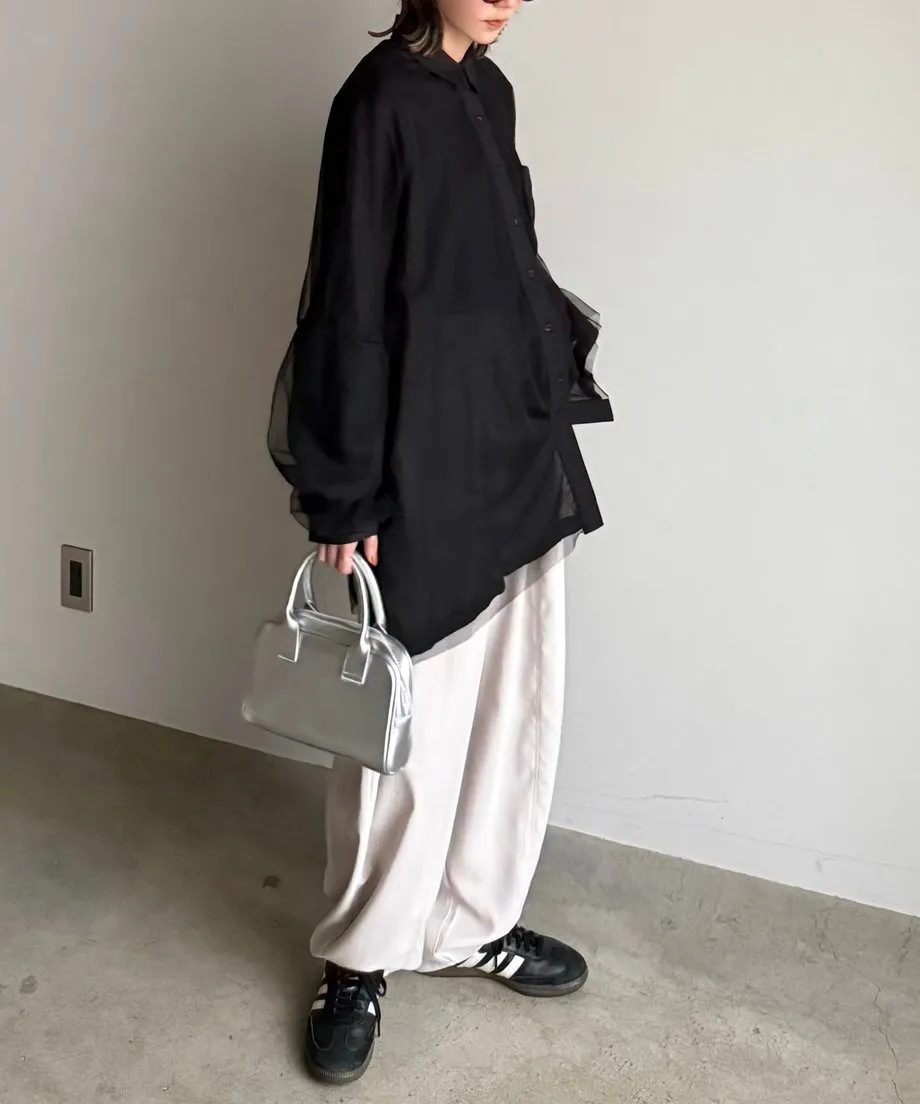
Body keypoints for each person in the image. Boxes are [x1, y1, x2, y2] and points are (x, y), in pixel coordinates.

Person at [269, 0, 612, 1085]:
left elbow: (504, 269)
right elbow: (349, 303)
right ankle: (360, 960)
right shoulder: (377, 104)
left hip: (508, 438)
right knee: (405, 721)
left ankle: (468, 921)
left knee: (511, 700)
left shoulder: (488, 88)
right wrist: (345, 493)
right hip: (418, 457)